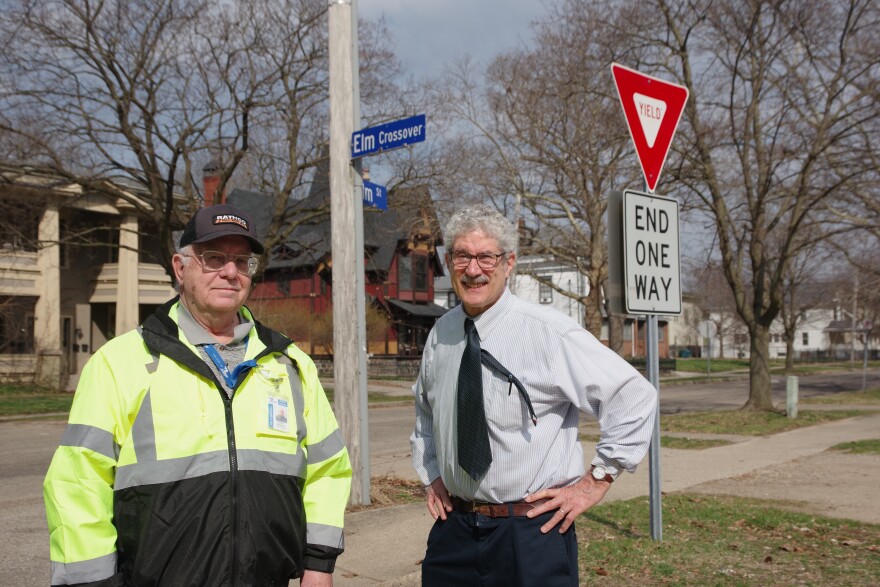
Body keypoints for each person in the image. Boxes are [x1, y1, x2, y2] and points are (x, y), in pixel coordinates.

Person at [44, 204, 352, 586]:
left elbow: (328, 470)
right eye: (214, 258)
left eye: (242, 261)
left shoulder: (289, 364)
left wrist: (318, 565)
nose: (230, 272)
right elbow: (77, 483)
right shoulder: (120, 362)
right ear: (180, 267)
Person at [410, 204, 658, 586]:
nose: (473, 270)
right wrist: (431, 474)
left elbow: (633, 396)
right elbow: (425, 412)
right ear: (448, 261)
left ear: (509, 263)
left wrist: (597, 480)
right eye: (462, 256)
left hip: (530, 534)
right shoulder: (440, 334)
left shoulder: (548, 332)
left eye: (485, 257)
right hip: (454, 532)